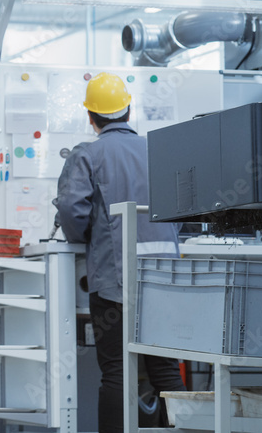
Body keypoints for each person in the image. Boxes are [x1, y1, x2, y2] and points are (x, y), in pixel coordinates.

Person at [55, 72, 185, 433]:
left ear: (91, 117)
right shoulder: (159, 150)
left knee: (117, 372)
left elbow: (71, 211)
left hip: (116, 281)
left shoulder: (88, 154)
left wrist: (84, 236)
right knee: (165, 370)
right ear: (128, 111)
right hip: (165, 280)